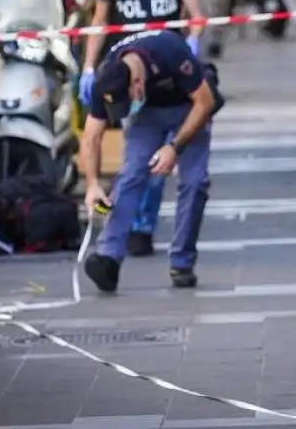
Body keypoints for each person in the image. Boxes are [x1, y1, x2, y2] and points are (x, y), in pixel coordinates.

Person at [79, 0, 205, 259]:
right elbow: (100, 23)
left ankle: (143, 223)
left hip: (172, 73)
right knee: (141, 155)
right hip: (131, 77)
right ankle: (139, 226)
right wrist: (90, 67)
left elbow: (197, 15)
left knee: (168, 153)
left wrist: (193, 42)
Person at [81, 29, 219, 291]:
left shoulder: (168, 50)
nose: (126, 106)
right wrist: (92, 185)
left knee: (194, 182)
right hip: (147, 114)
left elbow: (205, 102)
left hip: (189, 107)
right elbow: (91, 138)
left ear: (137, 83)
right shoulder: (107, 77)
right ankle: (108, 258)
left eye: (127, 100)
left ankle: (182, 261)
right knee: (132, 173)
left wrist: (174, 147)